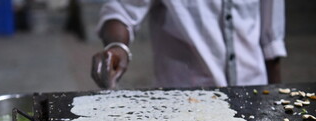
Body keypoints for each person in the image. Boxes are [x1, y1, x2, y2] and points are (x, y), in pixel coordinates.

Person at [91, 0, 287, 89]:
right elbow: (120, 11)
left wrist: (275, 101)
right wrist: (117, 46)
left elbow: (272, 42)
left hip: (252, 92)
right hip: (186, 101)